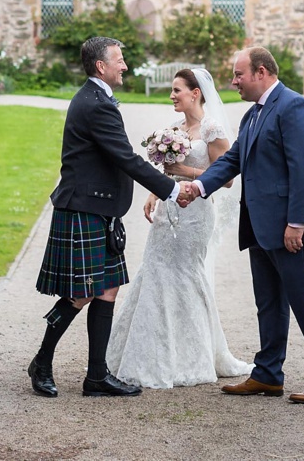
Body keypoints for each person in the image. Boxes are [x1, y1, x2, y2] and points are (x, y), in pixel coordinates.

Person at [179, 46, 304, 404]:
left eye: (239, 75)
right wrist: (198, 186)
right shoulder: (252, 115)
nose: (233, 81)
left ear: (261, 72)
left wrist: (297, 223)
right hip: (259, 226)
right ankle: (268, 374)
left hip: (290, 228)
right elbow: (233, 160)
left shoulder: (294, 107)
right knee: (268, 302)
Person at [29, 36, 181, 399]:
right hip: (84, 207)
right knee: (80, 295)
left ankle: (97, 375)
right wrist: (171, 189)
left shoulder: (96, 98)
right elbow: (125, 157)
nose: (124, 65)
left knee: (107, 288)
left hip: (98, 207)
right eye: (119, 60)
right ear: (101, 66)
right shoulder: (95, 103)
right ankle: (42, 362)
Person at [106, 67, 253, 388]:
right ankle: (148, 352)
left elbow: (226, 179)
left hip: (196, 213)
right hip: (168, 209)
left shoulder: (213, 129)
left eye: (177, 90)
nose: (171, 96)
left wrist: (183, 169)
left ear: (195, 93)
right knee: (155, 269)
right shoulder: (174, 128)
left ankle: (192, 354)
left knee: (186, 273)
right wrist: (152, 193)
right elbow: (165, 173)